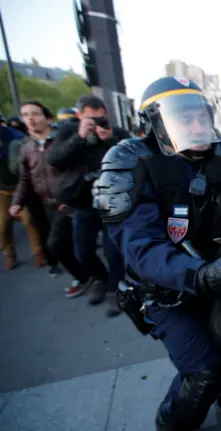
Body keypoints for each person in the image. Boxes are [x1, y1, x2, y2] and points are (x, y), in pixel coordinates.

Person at [92, 76, 221, 430]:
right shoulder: (131, 162)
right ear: (153, 123)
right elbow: (139, 248)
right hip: (166, 291)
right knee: (203, 372)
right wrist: (197, 276)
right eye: (185, 119)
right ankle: (172, 423)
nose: (199, 127)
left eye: (203, 116)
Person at [48, 96, 130, 314]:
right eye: (91, 119)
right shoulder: (68, 132)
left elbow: (134, 158)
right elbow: (55, 159)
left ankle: (115, 289)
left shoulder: (116, 132)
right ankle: (100, 279)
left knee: (114, 252)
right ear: (79, 116)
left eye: (100, 118)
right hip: (83, 201)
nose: (97, 123)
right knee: (82, 250)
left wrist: (111, 141)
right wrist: (80, 136)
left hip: (112, 201)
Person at [10, 101, 87, 292]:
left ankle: (86, 277)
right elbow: (24, 179)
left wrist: (68, 196)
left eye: (35, 114)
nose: (30, 119)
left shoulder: (61, 141)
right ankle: (85, 276)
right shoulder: (26, 148)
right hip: (45, 204)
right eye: (25, 115)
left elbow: (77, 169)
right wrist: (16, 202)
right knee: (58, 244)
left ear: (47, 118)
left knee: (60, 243)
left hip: (67, 201)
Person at [0, 123, 46, 270]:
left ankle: (39, 253)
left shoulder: (14, 137)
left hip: (20, 186)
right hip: (2, 190)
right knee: (2, 225)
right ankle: (9, 256)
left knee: (29, 220)